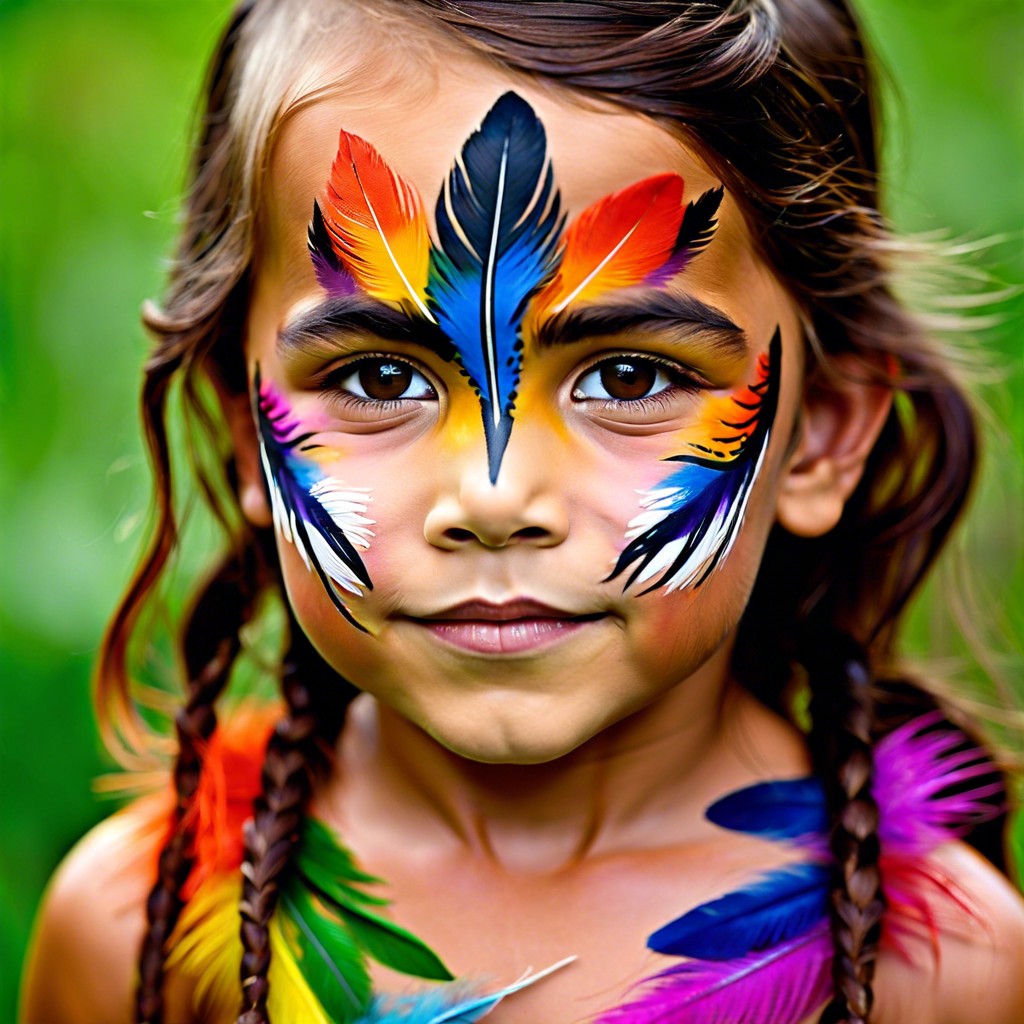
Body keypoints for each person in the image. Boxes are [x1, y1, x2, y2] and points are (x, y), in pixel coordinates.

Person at [20, 1, 1024, 1022]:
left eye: (630, 376)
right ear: (247, 435)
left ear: (823, 433)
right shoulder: (140, 933)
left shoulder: (936, 972)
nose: (493, 498)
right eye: (375, 379)